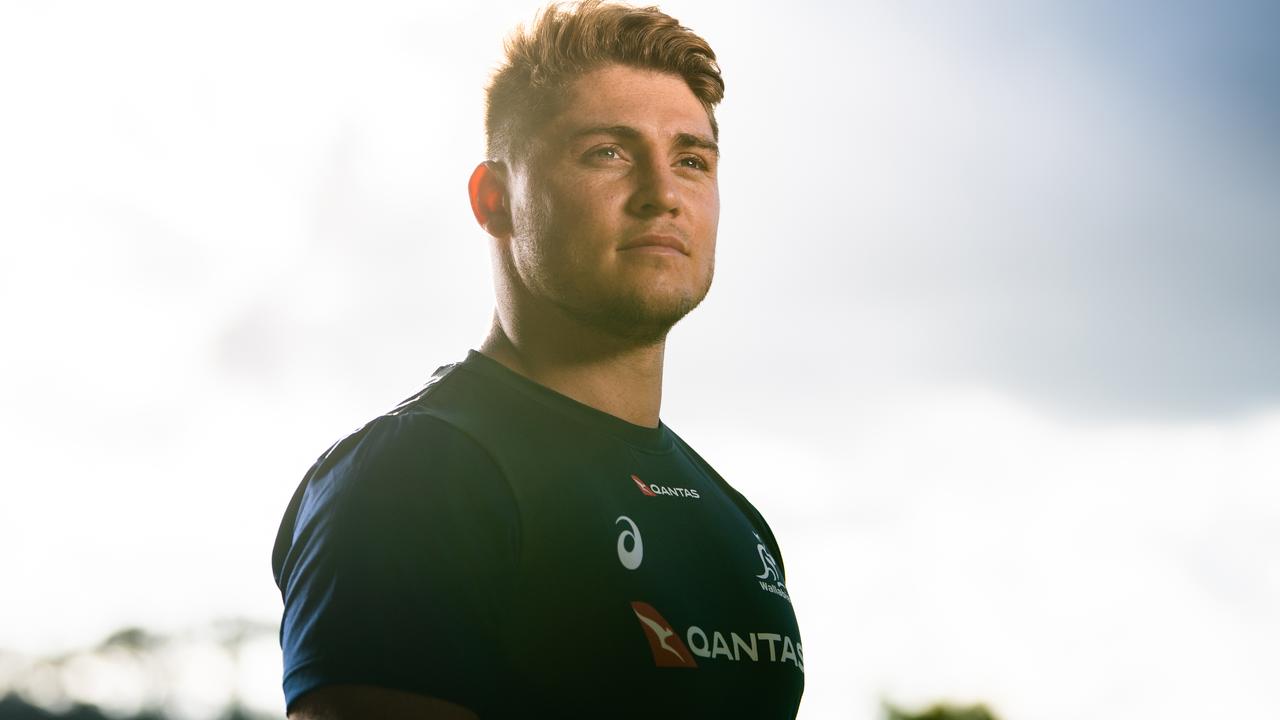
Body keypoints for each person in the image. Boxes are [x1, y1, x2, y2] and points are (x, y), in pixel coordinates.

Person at [271, 2, 803, 717]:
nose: (662, 195)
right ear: (496, 199)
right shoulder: (415, 478)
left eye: (690, 160)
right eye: (607, 153)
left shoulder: (735, 518)